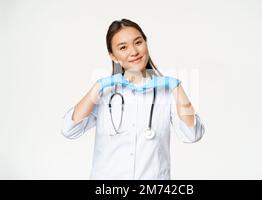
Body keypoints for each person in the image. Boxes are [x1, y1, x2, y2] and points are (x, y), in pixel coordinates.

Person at [61, 19, 205, 179]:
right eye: (123, 47)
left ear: (146, 43)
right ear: (113, 56)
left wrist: (177, 87)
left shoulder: (167, 91)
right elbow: (69, 130)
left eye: (138, 42)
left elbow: (192, 134)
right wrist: (98, 86)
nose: (134, 51)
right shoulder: (105, 92)